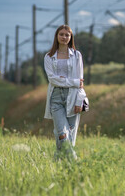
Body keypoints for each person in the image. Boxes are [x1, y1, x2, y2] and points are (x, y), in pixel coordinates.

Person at [43, 25, 86, 160]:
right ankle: (74, 161)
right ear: (57, 36)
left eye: (67, 35)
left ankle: (58, 162)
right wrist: (72, 82)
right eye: (61, 34)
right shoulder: (49, 57)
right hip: (55, 98)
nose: (64, 37)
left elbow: (80, 81)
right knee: (62, 132)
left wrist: (80, 101)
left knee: (70, 134)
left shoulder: (77, 55)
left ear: (70, 37)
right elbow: (52, 80)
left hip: (73, 97)